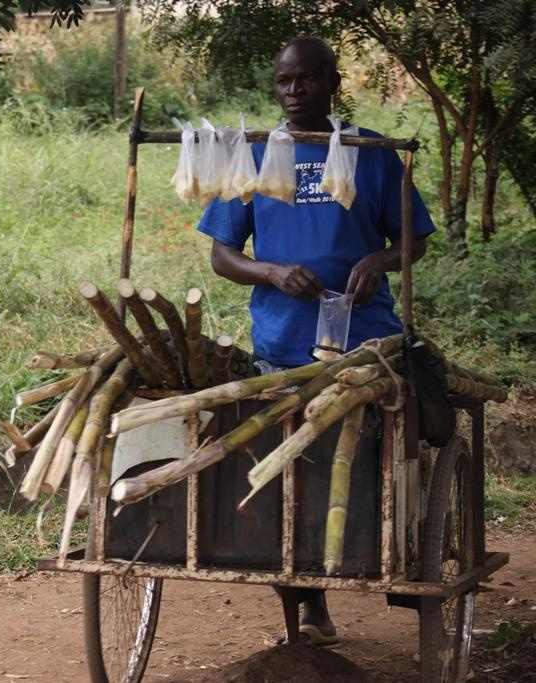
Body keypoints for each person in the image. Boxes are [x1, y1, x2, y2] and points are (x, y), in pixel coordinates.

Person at [197, 36, 436, 645]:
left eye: (306, 80)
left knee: (364, 467)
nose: (294, 92)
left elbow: (416, 240)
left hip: (366, 347)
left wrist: (379, 261)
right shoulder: (253, 155)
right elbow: (223, 255)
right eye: (283, 82)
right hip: (281, 343)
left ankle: (385, 564)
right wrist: (271, 272)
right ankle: (306, 609)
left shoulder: (370, 152)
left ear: (333, 82)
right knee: (287, 475)